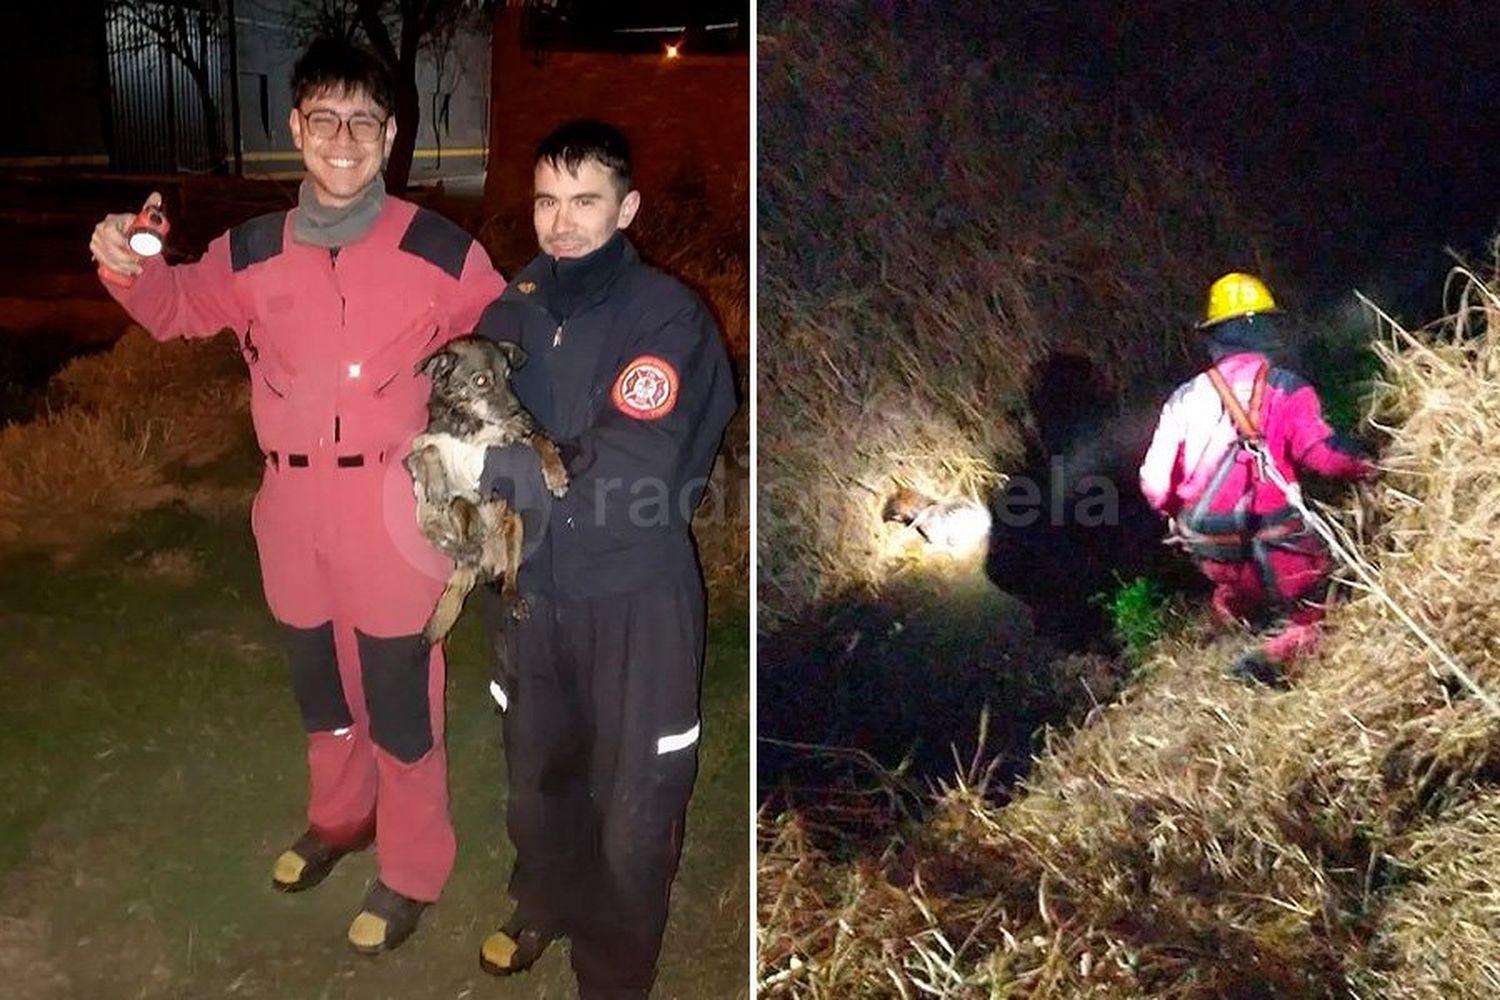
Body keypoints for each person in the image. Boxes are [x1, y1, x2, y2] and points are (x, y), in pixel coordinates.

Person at [87, 38, 504, 953]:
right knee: (322, 688)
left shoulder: (440, 250)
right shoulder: (251, 250)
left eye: (364, 120)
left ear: (390, 135)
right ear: (297, 129)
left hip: (394, 510)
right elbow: (172, 307)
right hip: (288, 511)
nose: (344, 138)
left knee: (398, 695)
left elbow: (508, 344)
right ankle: (340, 817)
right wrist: (125, 258)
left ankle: (411, 866)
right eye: (325, 119)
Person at [469, 120, 736, 998]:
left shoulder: (667, 315)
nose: (562, 221)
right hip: (534, 586)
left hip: (634, 596)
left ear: (626, 207)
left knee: (633, 804)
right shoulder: (514, 303)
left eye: (585, 200)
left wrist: (491, 469)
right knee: (538, 780)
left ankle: (613, 974)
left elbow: (634, 464)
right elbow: (464, 409)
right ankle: (544, 900)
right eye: (547, 200)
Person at [1139, 272, 1376, 685]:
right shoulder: (1284, 388)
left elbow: (1155, 485)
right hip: (1278, 551)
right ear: (1263, 330)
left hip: (1212, 556)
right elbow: (1326, 458)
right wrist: (1376, 464)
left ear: (1216, 336)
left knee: (1244, 592)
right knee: (1333, 604)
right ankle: (1280, 649)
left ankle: (1237, 609)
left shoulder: (1182, 399)